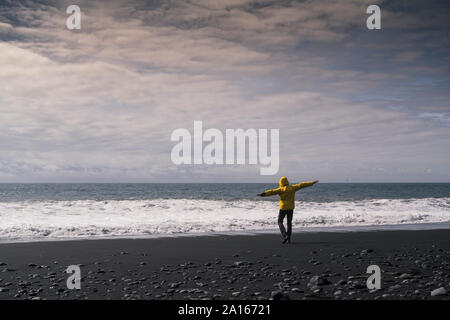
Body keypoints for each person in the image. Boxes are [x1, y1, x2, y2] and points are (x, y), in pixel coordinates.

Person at [257, 177, 319, 244]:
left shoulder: (280, 189)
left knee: (280, 221)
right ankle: (288, 238)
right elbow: (302, 185)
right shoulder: (293, 188)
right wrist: (312, 183)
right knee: (289, 222)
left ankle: (285, 235)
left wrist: (262, 194)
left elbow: (271, 192)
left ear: (280, 183)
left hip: (283, 208)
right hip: (290, 208)